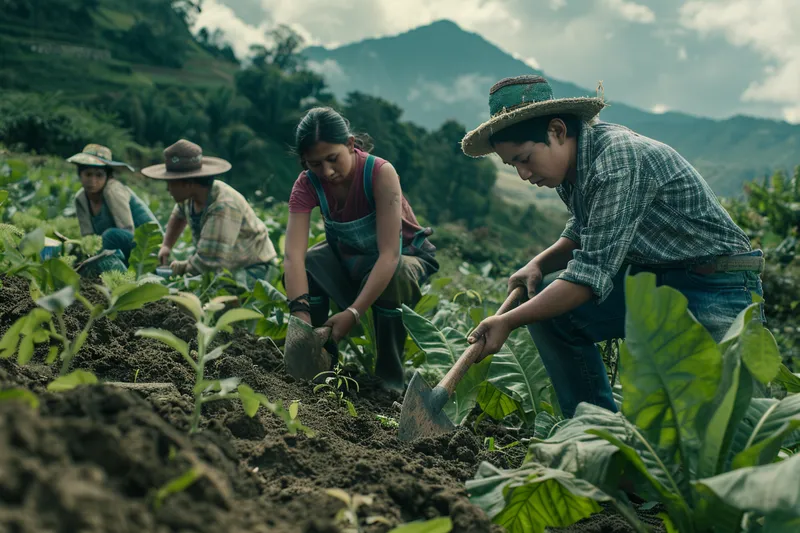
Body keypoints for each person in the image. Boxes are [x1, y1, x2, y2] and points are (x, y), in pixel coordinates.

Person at [461, 75, 765, 418]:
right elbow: (583, 228)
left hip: (716, 282)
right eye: (512, 164)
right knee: (551, 313)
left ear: (558, 132)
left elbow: (588, 278)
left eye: (526, 158)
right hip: (655, 277)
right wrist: (539, 264)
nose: (523, 174)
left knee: (739, 415)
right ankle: (593, 433)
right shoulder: (570, 167)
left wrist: (508, 321)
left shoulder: (617, 161)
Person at [284, 107, 439, 390]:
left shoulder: (379, 173)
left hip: (402, 259)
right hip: (351, 259)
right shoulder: (307, 184)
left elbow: (390, 255)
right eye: (314, 164)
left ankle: (389, 380)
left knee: (397, 273)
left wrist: (353, 314)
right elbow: (292, 256)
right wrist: (300, 318)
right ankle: (319, 362)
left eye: (333, 159)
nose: (327, 172)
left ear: (351, 145)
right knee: (309, 263)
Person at [141, 139, 277, 286]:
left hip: (253, 267)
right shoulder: (190, 197)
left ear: (188, 183)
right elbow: (178, 215)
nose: (168, 189)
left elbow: (208, 265)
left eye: (171, 183)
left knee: (223, 299)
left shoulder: (223, 206)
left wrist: (178, 270)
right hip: (225, 265)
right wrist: (166, 245)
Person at [69, 143, 161, 263]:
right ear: (80, 175)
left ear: (108, 176)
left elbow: (126, 231)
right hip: (116, 248)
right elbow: (88, 237)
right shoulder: (81, 199)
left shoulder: (113, 190)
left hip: (147, 248)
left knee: (111, 235)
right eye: (88, 174)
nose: (93, 180)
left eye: (99, 175)